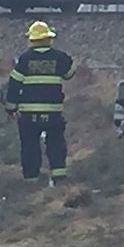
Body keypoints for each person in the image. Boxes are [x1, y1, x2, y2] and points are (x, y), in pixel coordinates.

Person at [4, 21, 77, 186]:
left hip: (29, 113)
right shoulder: (58, 57)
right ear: (49, 39)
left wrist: (11, 107)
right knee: (56, 143)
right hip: (53, 112)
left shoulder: (24, 59)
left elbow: (14, 84)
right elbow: (71, 72)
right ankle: (59, 176)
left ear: (31, 40)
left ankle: (31, 179)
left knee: (30, 146)